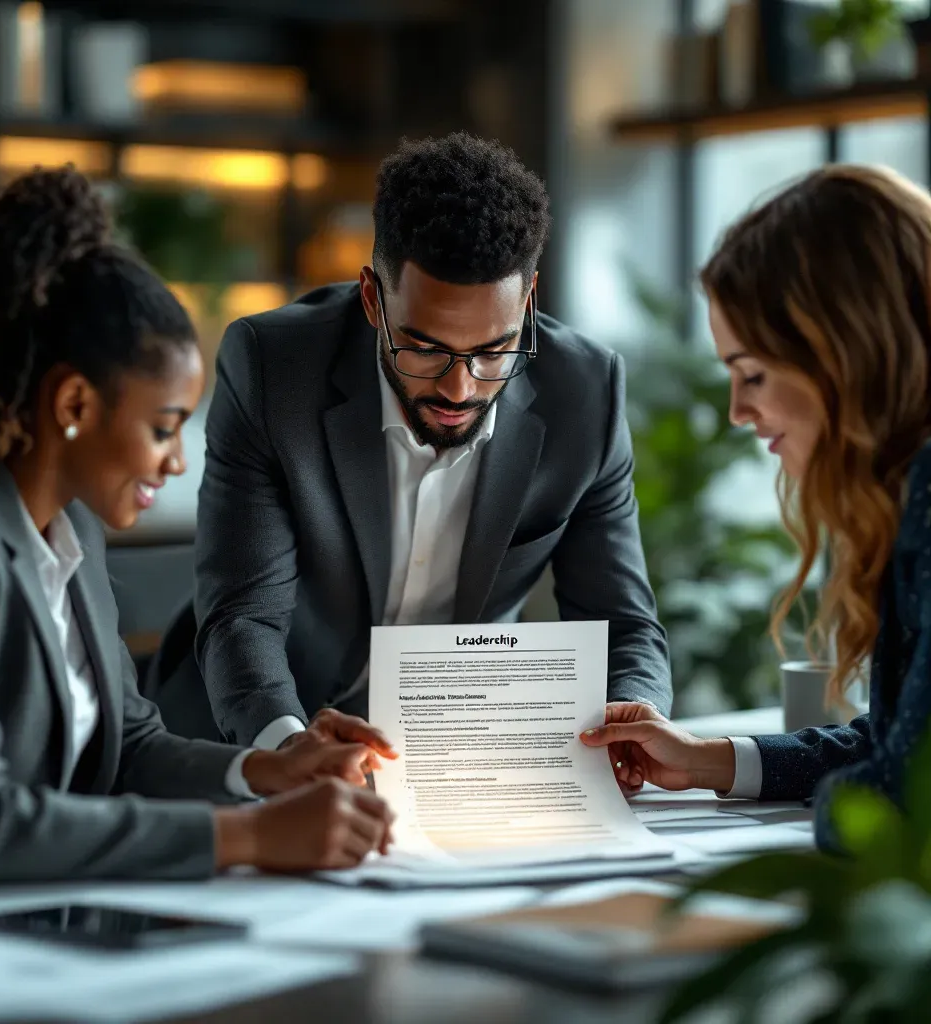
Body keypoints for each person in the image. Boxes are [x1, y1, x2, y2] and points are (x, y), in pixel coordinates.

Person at [0, 166, 396, 885]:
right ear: (74, 403)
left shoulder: (73, 529)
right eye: (164, 429)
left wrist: (269, 770)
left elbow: (127, 745)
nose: (175, 463)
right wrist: (250, 835)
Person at [193, 131, 672, 756]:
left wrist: (636, 719)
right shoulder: (273, 368)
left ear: (527, 301)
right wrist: (288, 752)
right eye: (424, 348)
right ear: (372, 298)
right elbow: (243, 617)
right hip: (263, 736)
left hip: (463, 754)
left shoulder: (586, 391)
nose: (459, 387)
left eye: (494, 350)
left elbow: (623, 625)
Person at [580, 163, 931, 851]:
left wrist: (849, 797)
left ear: (845, 351)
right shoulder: (904, 495)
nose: (739, 411)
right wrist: (709, 759)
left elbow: (901, 799)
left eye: (753, 374)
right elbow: (899, 743)